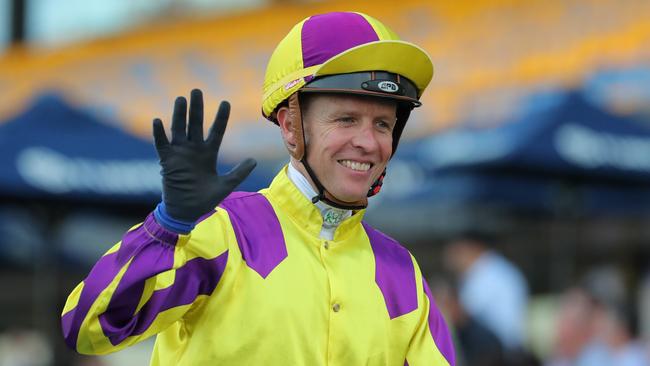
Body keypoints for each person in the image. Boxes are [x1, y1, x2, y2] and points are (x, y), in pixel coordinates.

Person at [60, 11, 456, 366]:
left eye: (383, 124)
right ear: (289, 126)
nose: (368, 143)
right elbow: (87, 329)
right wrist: (165, 229)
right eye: (347, 120)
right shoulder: (218, 231)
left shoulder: (402, 273)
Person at [443, 231, 529, 354]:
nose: (453, 259)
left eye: (458, 252)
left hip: (502, 353)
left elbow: (460, 314)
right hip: (500, 350)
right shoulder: (493, 268)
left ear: (473, 248)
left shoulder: (489, 271)